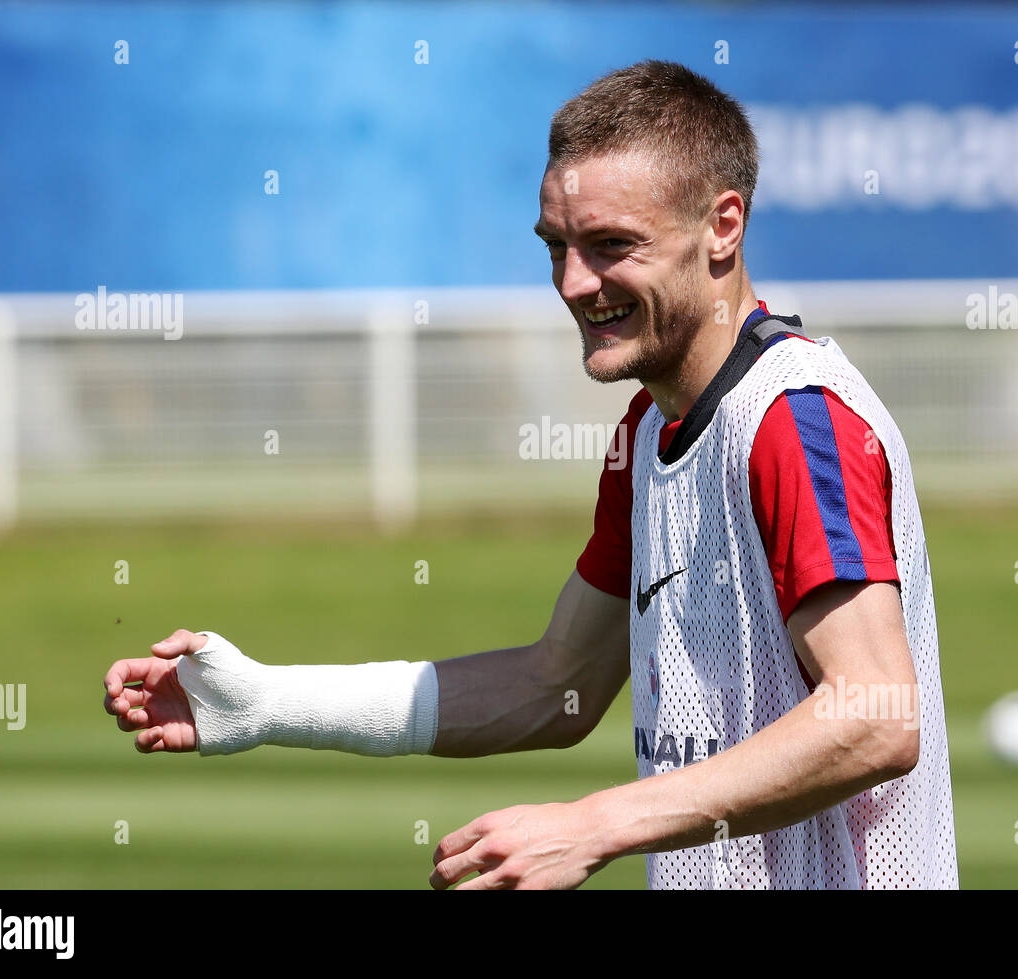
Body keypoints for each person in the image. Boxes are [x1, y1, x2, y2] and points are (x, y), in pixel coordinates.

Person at [103, 60, 957, 890]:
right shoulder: (650, 430)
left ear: (723, 227)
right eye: (557, 246)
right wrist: (264, 702)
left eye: (611, 246)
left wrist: (593, 826)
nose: (575, 284)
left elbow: (877, 715)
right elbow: (558, 686)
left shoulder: (793, 419)